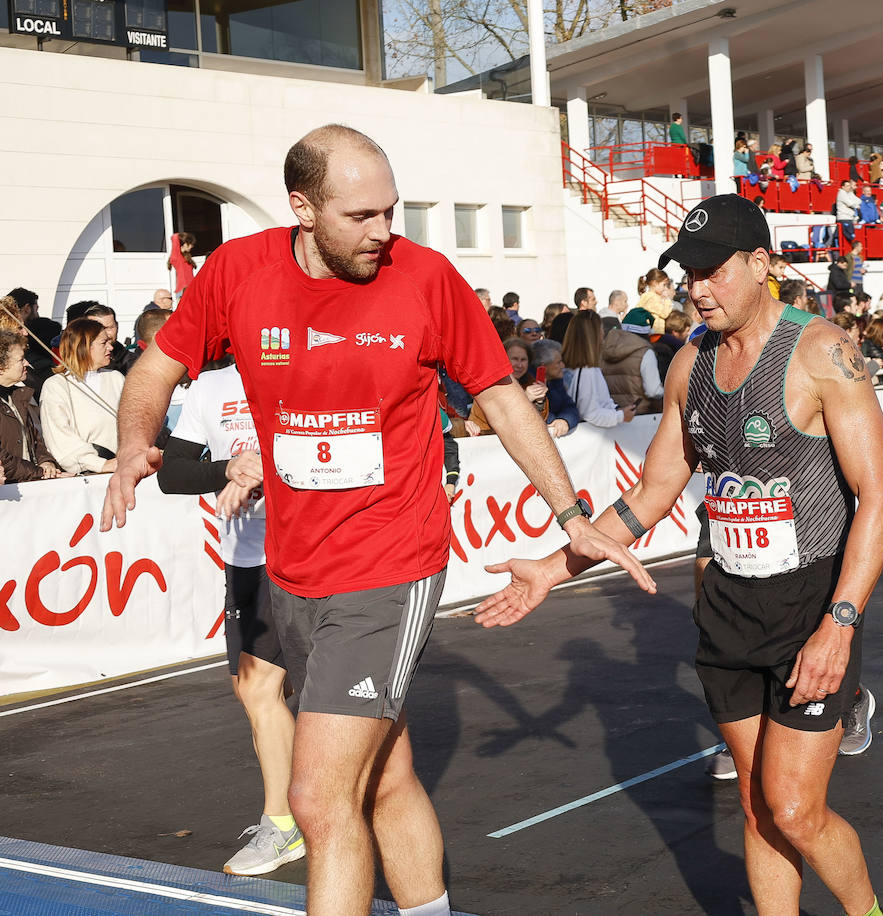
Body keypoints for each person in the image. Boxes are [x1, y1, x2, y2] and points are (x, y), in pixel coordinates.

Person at [99, 124, 651, 916]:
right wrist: (131, 443)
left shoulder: (425, 279)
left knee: (319, 802)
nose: (383, 230)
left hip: (392, 563)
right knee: (386, 776)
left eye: (389, 210)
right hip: (292, 568)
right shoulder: (237, 271)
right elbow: (157, 363)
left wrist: (571, 513)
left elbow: (498, 395)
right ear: (301, 207)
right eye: (360, 215)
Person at [475, 194, 883, 916]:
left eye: (712, 271)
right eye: (688, 273)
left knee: (795, 808)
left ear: (761, 265)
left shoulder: (823, 352)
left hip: (810, 608)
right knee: (760, 809)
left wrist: (841, 624)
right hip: (729, 610)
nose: (696, 288)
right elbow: (650, 495)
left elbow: (879, 501)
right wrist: (552, 568)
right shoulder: (689, 365)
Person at [155, 359, 303, 876]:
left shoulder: (305, 364)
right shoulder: (212, 387)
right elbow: (172, 474)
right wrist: (229, 468)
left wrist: (262, 466)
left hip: (310, 552)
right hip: (244, 557)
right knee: (257, 691)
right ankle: (298, 814)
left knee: (269, 691)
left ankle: (287, 822)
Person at [41, 317, 123, 474]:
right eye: (103, 343)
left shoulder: (116, 378)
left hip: (125, 469)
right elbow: (60, 439)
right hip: (86, 478)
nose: (110, 347)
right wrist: (99, 464)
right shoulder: (56, 386)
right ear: (84, 347)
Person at [0, 327, 68, 482]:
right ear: (1, 368)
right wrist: (38, 472)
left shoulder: (18, 397)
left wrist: (46, 462)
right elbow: (3, 458)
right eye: (20, 359)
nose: (27, 363)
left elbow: (36, 439)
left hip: (30, 489)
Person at [562, 308, 636, 428]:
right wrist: (620, 416)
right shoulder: (586, 371)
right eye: (600, 329)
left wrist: (619, 412)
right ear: (594, 334)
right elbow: (590, 414)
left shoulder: (574, 367)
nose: (603, 333)